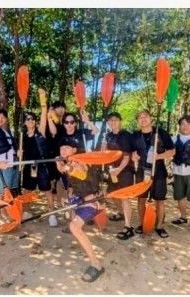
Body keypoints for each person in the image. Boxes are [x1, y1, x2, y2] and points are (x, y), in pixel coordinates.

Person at [55, 137, 105, 282]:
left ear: (74, 150)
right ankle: (84, 241)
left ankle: (96, 264)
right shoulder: (69, 162)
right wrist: (69, 197)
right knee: (70, 216)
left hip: (91, 200)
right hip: (79, 198)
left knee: (74, 226)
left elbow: (81, 173)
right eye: (61, 148)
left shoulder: (80, 161)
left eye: (67, 147)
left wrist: (68, 168)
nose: (63, 150)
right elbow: (73, 182)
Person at [131, 110, 175, 238]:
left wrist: (159, 156)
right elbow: (132, 151)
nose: (143, 119)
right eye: (140, 117)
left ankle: (159, 226)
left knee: (159, 200)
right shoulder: (135, 135)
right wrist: (134, 155)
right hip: (142, 170)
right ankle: (142, 223)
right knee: (141, 199)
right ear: (137, 121)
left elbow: (172, 151)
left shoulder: (160, 132)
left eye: (145, 117)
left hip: (159, 170)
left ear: (151, 119)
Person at [101, 113, 137, 240]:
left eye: (116, 120)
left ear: (120, 121)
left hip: (125, 170)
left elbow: (127, 156)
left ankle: (128, 227)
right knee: (111, 193)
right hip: (112, 170)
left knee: (124, 197)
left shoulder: (126, 135)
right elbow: (105, 153)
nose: (113, 122)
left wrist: (119, 169)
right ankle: (122, 213)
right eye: (110, 120)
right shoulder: (108, 135)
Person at [20, 101, 53, 221]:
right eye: (28, 119)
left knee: (47, 189)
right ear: (24, 122)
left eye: (32, 119)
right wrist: (19, 153)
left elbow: (43, 116)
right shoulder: (22, 136)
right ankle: (26, 211)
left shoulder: (40, 131)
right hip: (30, 166)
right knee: (27, 190)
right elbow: (21, 153)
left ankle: (51, 212)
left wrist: (43, 101)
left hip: (42, 165)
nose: (30, 120)